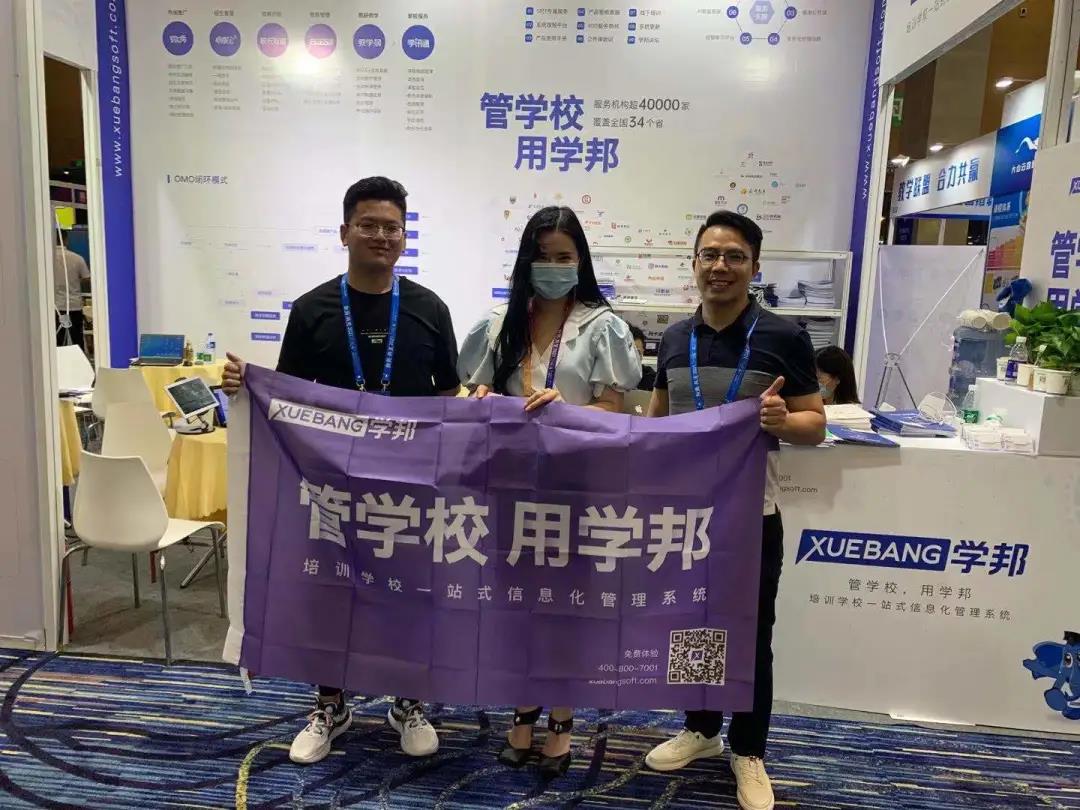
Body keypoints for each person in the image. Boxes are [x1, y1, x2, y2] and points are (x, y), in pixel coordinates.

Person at [221, 177, 461, 765]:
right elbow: (286, 397)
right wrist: (245, 386)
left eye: (392, 227)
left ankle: (408, 701)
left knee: (409, 592)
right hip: (331, 486)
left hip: (407, 488)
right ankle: (331, 704)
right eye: (369, 224)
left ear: (404, 236)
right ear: (344, 231)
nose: (382, 235)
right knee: (330, 593)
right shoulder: (313, 310)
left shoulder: (430, 309)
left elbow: (448, 398)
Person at [644, 210, 825, 810]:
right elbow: (659, 419)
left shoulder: (782, 336)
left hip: (753, 515)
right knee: (690, 624)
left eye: (734, 256)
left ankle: (748, 751)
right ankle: (700, 729)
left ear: (754, 266)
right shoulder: (675, 338)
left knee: (750, 635)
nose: (720, 266)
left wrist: (783, 420)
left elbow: (815, 424)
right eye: (710, 255)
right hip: (684, 520)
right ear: (694, 263)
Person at [458, 205, 641, 777]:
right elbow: (472, 391)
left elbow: (617, 410)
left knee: (566, 609)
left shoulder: (602, 326)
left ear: (580, 261)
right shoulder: (500, 323)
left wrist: (570, 411)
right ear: (526, 261)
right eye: (543, 257)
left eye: (564, 257)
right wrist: (479, 400)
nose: (554, 267)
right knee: (517, 605)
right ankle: (522, 709)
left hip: (576, 491)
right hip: (510, 488)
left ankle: (562, 719)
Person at [54, 230, 90, 349]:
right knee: (76, 339)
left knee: (57, 341)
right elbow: (86, 278)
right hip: (74, 305)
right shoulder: (77, 258)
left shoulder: (45, 260)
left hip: (54, 306)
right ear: (66, 240)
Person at [630, 325, 656, 391]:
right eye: (629, 352)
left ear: (643, 351)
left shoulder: (652, 378)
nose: (634, 357)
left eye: (638, 352)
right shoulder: (610, 378)